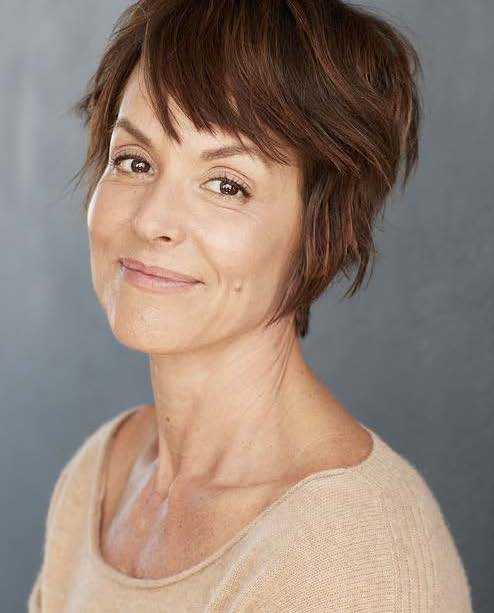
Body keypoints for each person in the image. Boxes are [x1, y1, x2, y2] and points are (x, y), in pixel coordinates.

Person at [28, 0, 473, 611]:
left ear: (320, 231)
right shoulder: (102, 473)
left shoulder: (350, 561)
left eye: (226, 184)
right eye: (134, 161)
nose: (153, 219)